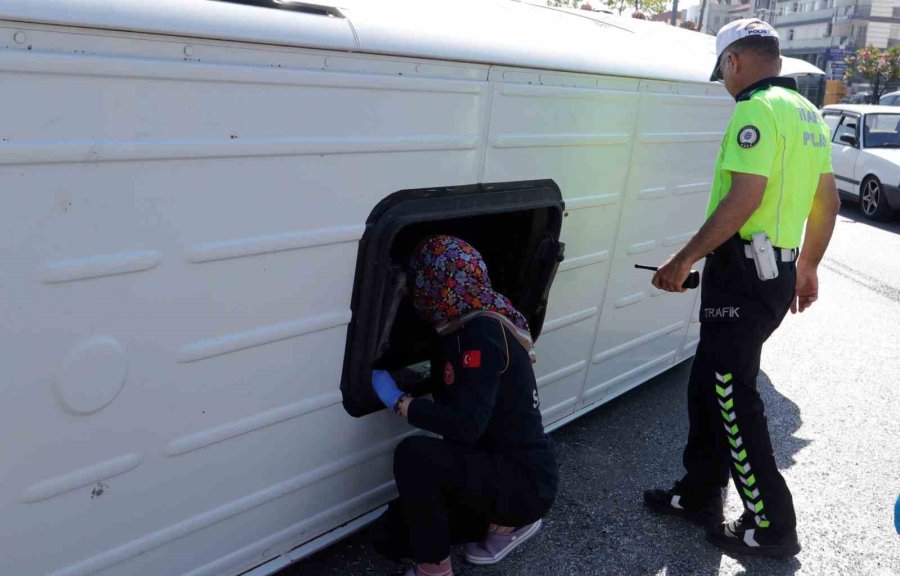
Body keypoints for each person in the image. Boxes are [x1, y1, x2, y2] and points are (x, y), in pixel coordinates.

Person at [642, 18, 840, 557]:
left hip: (743, 276)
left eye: (722, 72)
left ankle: (771, 525)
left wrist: (683, 258)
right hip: (775, 272)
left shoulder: (755, 110)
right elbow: (828, 201)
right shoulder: (807, 112)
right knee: (707, 380)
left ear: (733, 61)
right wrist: (808, 266)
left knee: (732, 393)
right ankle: (699, 493)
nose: (725, 83)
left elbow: (744, 198)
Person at [369, 235, 558, 576]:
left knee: (414, 454)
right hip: (494, 467)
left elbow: (466, 426)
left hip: (522, 482)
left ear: (436, 283)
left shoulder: (482, 332)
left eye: (419, 280)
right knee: (390, 535)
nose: (414, 290)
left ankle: (440, 568)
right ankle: (493, 518)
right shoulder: (460, 326)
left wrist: (401, 403)